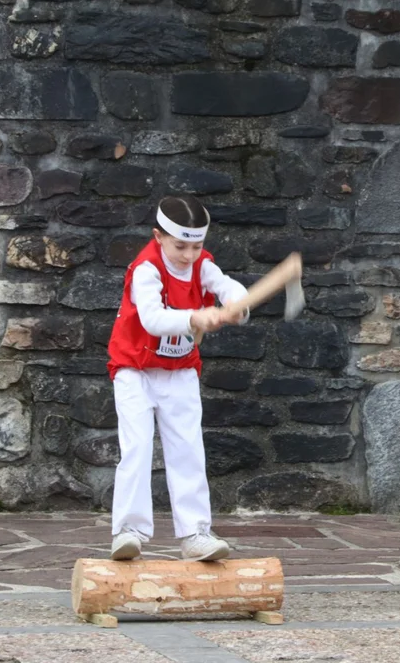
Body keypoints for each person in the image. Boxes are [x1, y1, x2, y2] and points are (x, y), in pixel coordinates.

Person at [107, 195, 249, 562]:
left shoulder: (202, 265)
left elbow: (227, 286)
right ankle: (129, 530)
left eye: (196, 246)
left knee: (188, 449)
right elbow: (152, 319)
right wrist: (194, 317)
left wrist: (238, 304)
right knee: (137, 448)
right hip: (134, 369)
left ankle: (195, 533)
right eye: (180, 246)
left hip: (181, 371)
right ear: (158, 236)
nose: (189, 255)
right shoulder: (146, 269)